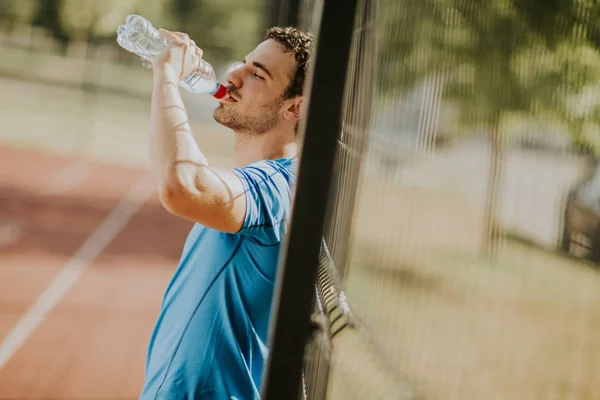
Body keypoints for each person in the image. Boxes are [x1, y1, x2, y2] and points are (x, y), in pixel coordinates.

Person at [139, 25, 314, 400]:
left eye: (257, 74)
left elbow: (181, 185)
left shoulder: (280, 184)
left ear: (294, 107)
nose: (233, 75)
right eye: (245, 63)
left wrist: (166, 74)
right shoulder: (257, 181)